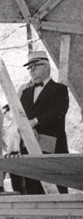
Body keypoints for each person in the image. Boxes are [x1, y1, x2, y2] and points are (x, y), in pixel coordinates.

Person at [19, 49, 69, 194]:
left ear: (46, 66)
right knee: (32, 185)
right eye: (30, 68)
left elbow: (58, 112)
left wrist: (35, 122)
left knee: (56, 184)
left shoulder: (60, 89)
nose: (31, 71)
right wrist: (26, 129)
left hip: (52, 144)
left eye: (35, 66)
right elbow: (20, 115)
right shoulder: (26, 92)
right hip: (29, 143)